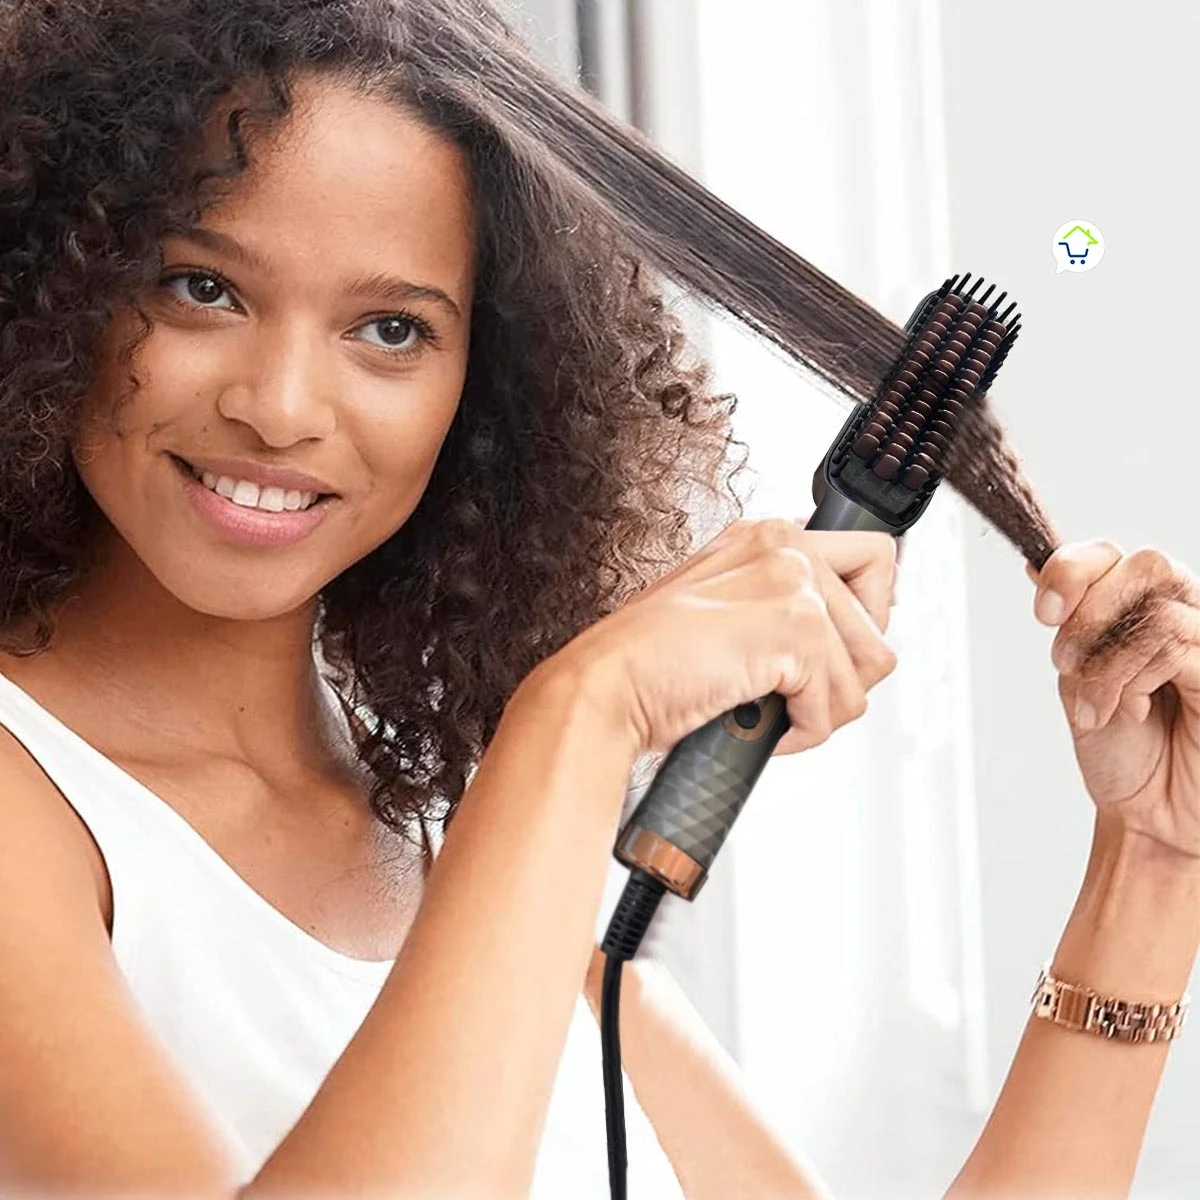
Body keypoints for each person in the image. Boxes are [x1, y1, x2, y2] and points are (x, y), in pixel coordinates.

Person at [0, 2, 1197, 1198]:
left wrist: (1152, 865)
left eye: (391, 329)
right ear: (56, 280)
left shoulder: (452, 841)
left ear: (488, 385)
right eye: (203, 287)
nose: (281, 406)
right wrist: (582, 714)